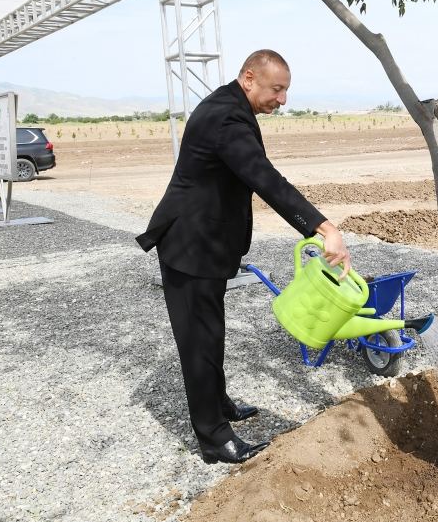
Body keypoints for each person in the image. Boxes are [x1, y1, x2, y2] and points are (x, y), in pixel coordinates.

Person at [136, 49, 352, 464]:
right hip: (189, 245)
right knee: (199, 341)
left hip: (206, 243)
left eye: (286, 90)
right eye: (277, 89)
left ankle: (218, 405)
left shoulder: (231, 106)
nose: (283, 100)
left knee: (211, 332)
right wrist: (324, 228)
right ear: (249, 78)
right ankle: (214, 438)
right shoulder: (227, 118)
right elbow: (263, 176)